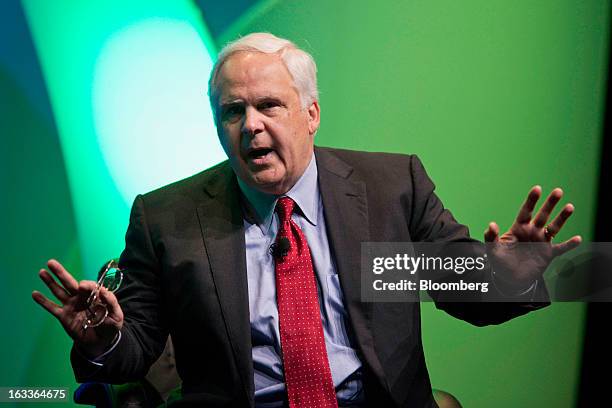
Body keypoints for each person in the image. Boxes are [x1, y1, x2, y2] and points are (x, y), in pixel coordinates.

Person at [32, 32, 581, 407]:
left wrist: (510, 273)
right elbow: (134, 351)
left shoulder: (388, 189)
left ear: (310, 113)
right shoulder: (167, 217)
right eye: (232, 111)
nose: (251, 126)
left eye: (269, 105)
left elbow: (463, 294)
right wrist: (102, 338)